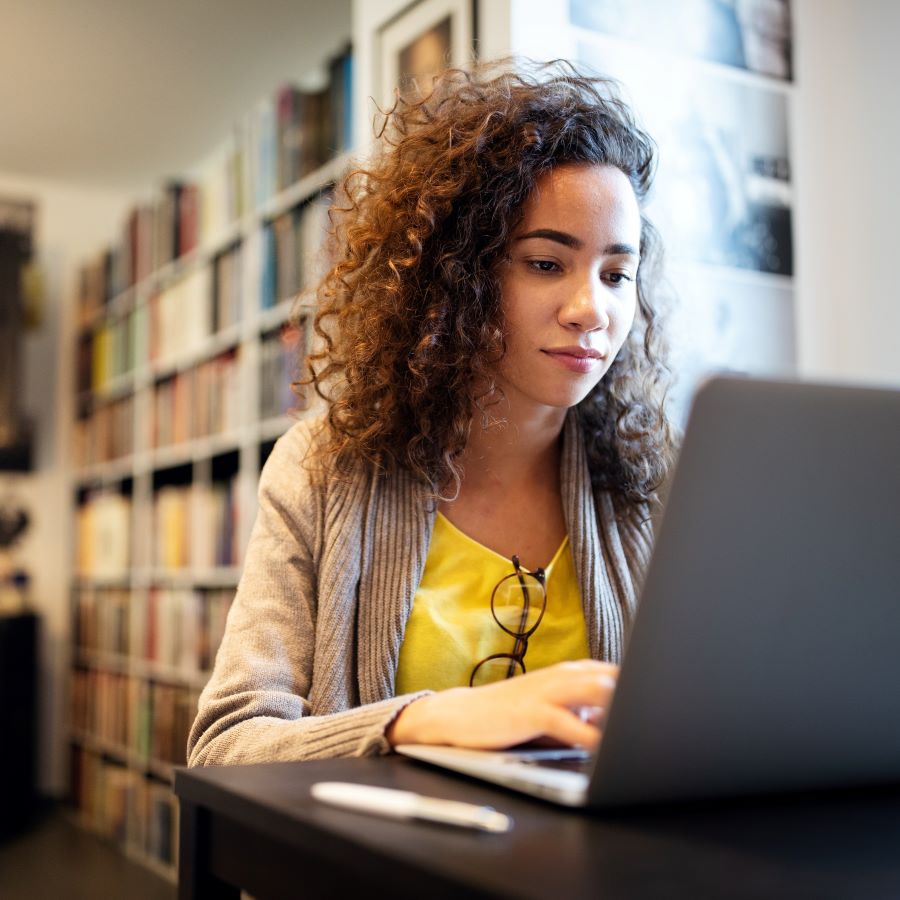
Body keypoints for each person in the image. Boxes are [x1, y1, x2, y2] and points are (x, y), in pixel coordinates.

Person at [188, 61, 674, 766]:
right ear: (459, 273)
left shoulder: (655, 484)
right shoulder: (322, 467)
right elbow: (226, 744)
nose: (591, 311)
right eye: (545, 263)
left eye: (616, 275)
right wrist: (428, 721)